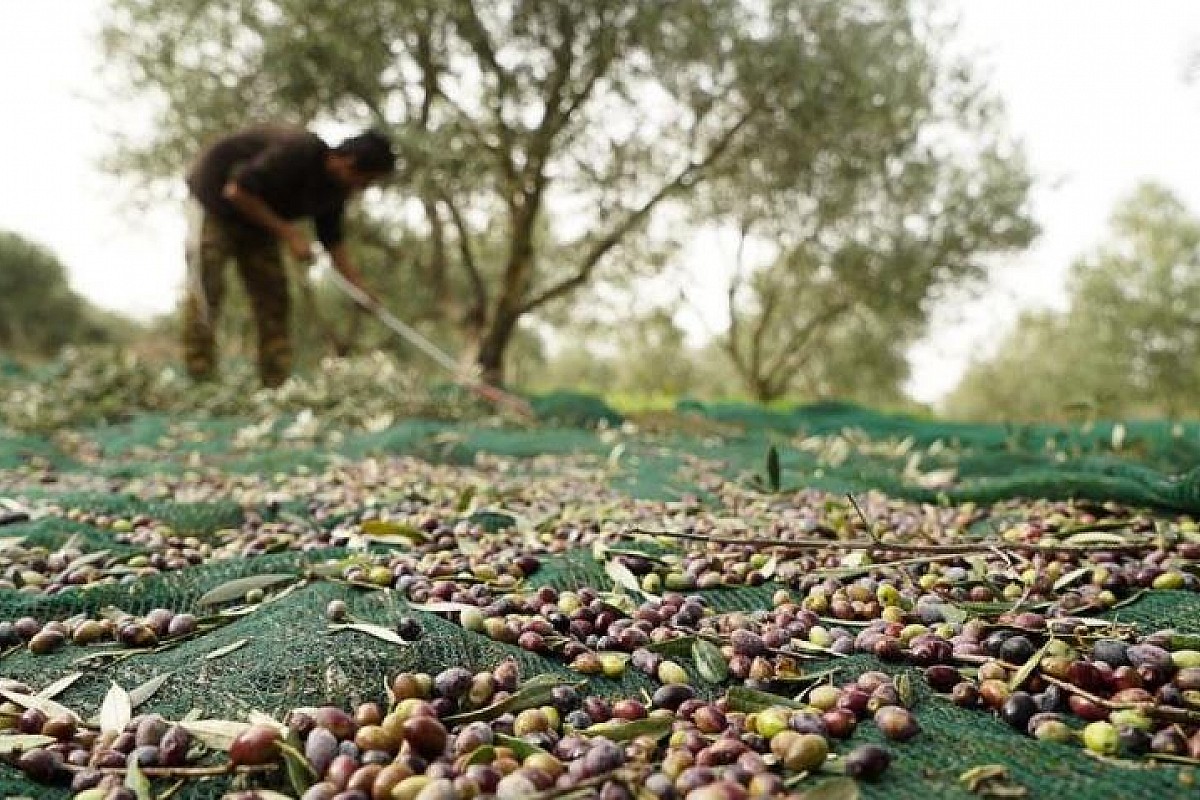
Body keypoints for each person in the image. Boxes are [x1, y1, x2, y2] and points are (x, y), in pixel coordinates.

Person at [182, 125, 396, 387]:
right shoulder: (300, 150)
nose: (363, 188)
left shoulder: (335, 191)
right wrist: (289, 233)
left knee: (273, 296)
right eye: (366, 180)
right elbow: (236, 191)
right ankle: (201, 377)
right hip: (215, 203)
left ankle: (275, 383)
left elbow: (333, 242)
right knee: (207, 285)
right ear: (349, 163)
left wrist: (359, 289)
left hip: (258, 219)